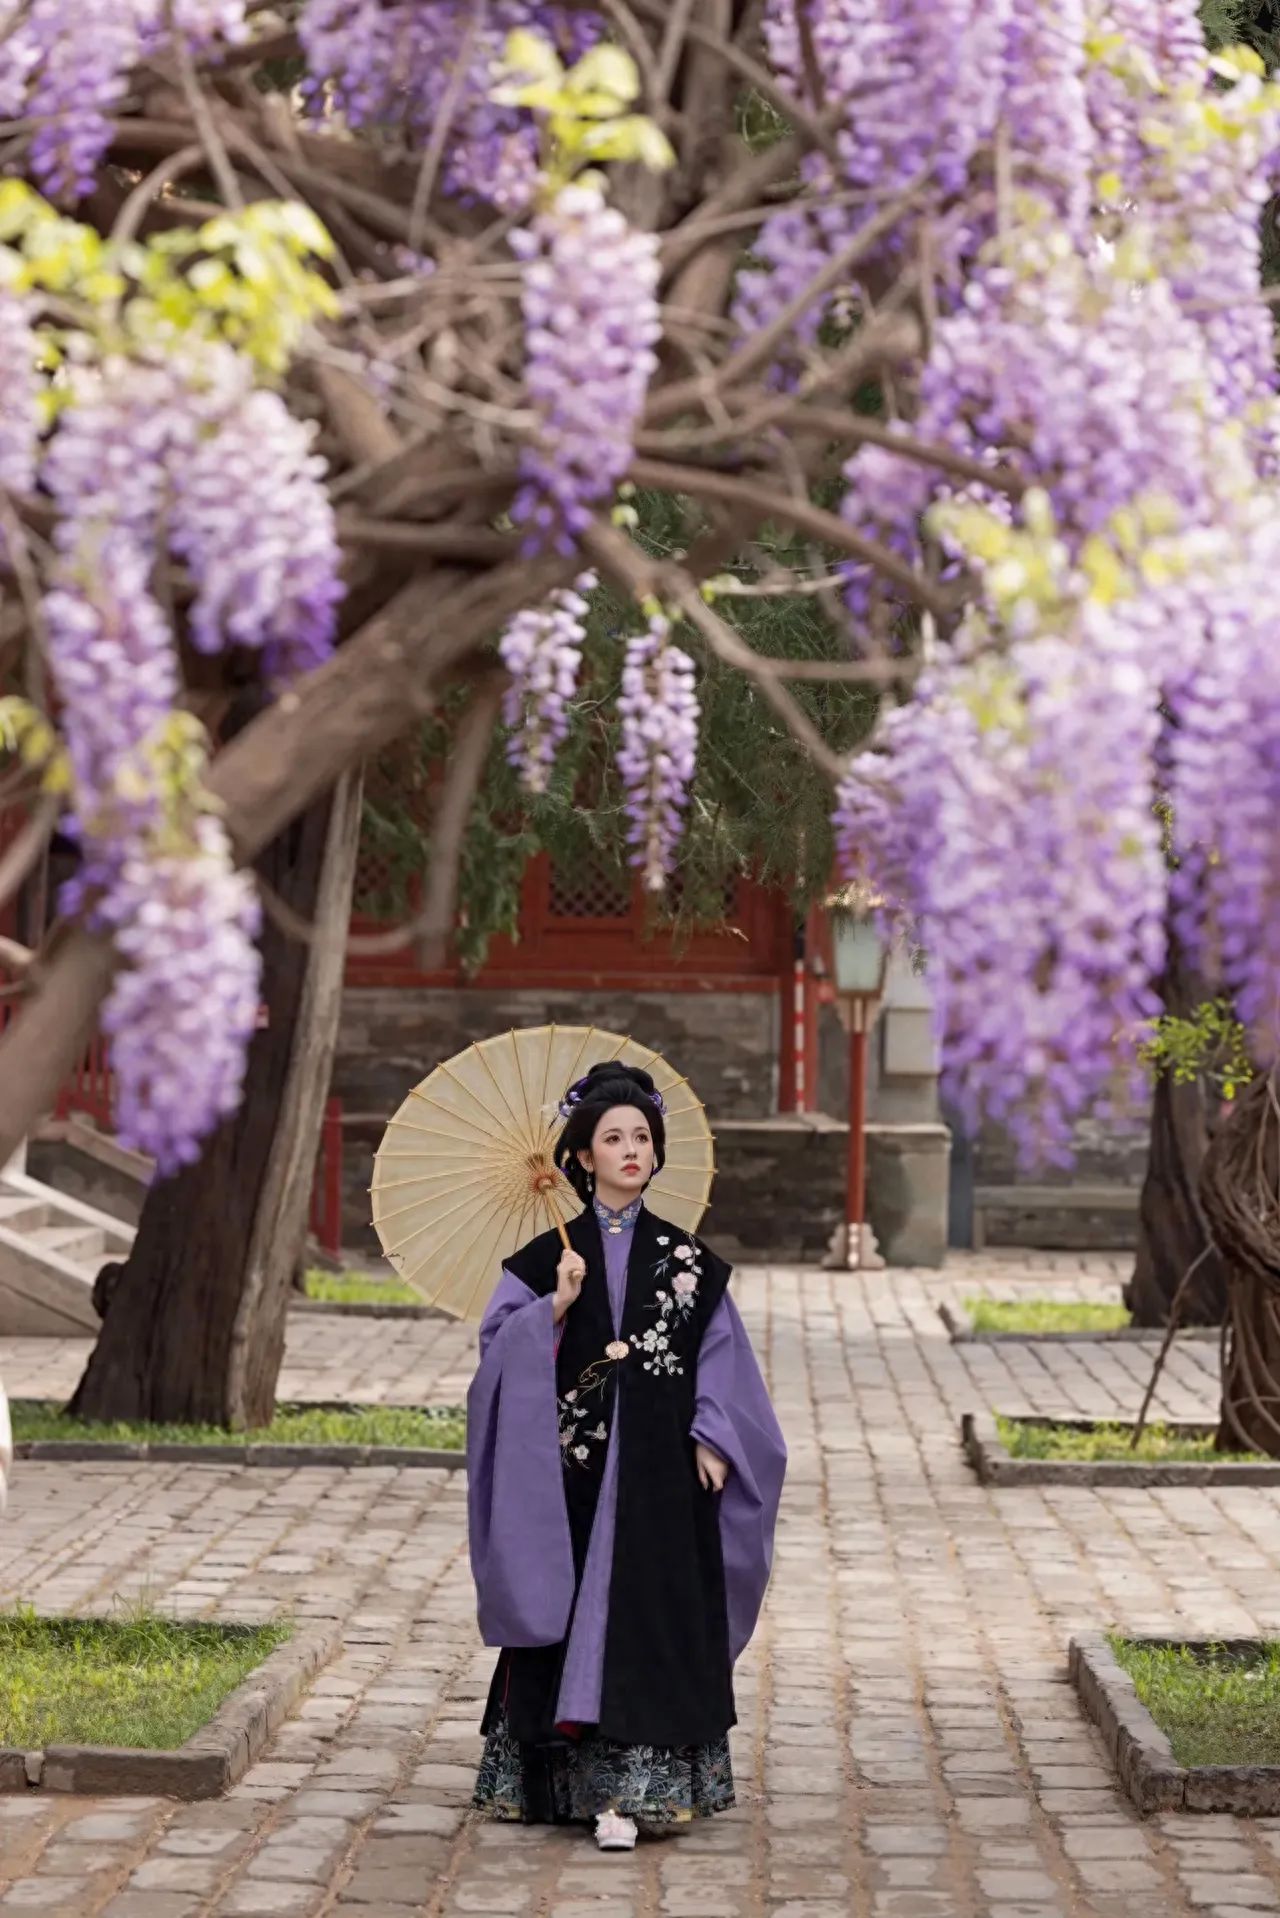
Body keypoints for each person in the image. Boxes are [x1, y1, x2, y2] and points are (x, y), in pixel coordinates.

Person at [466, 1060, 786, 1851]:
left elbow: (721, 1356)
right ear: (581, 1157)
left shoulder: (688, 1263)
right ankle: (563, 1787)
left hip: (660, 1478)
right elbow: (495, 1356)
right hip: (567, 1480)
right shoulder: (544, 1260)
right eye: (613, 1138)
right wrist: (553, 1307)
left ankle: (637, 1792)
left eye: (642, 1136)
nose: (631, 1150)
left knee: (649, 1619)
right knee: (566, 1610)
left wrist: (714, 1434)